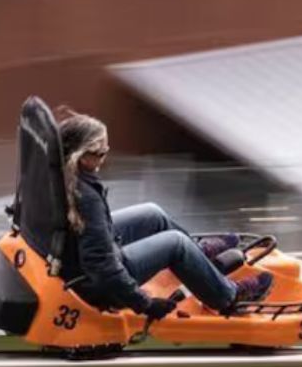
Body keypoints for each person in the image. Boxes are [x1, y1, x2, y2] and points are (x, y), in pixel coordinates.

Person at [56, 108, 273, 319]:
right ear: (81, 157)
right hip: (100, 285)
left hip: (82, 262)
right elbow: (100, 264)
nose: (104, 158)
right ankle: (228, 297)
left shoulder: (62, 177)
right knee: (176, 243)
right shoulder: (86, 198)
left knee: (152, 213)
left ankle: (198, 257)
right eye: (101, 153)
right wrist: (145, 304)